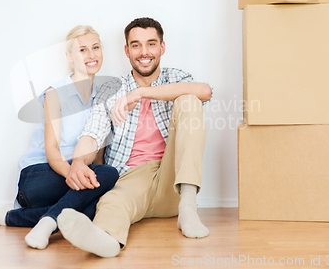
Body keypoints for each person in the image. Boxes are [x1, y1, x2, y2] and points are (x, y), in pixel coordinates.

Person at [56, 17, 212, 257]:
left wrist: (140, 93)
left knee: (189, 100)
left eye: (151, 44)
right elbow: (92, 132)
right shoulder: (111, 89)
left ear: (162, 47)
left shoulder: (177, 77)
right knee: (112, 202)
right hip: (131, 177)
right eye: (136, 45)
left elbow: (204, 91)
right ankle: (106, 241)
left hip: (173, 179)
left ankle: (188, 209)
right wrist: (77, 162)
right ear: (127, 51)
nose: (144, 52)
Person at [0, 25, 119, 250]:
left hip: (76, 180)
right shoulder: (55, 93)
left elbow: (99, 153)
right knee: (104, 179)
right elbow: (52, 150)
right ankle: (48, 219)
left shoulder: (103, 96)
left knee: (102, 196)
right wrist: (76, 175)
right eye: (82, 50)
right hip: (40, 177)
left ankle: (14, 218)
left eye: (95, 47)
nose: (91, 55)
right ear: (70, 57)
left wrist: (98, 183)